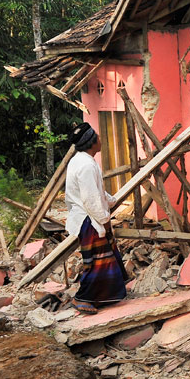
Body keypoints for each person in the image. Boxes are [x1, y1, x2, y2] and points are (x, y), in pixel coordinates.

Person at [65, 122, 127, 314]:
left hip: (88, 216)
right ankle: (82, 298)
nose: (100, 139)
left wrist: (111, 200)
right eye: (98, 137)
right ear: (92, 142)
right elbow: (90, 199)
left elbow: (97, 192)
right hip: (89, 219)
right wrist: (104, 218)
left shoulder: (82, 161)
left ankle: (108, 296)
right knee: (97, 262)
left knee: (106, 257)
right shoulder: (85, 166)